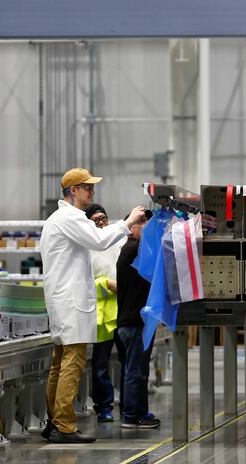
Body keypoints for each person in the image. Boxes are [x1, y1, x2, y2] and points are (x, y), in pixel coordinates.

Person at [40, 167, 147, 444]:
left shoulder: (63, 218)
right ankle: (63, 426)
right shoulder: (68, 217)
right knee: (71, 364)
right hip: (70, 302)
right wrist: (128, 222)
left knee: (60, 364)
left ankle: (53, 422)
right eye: (87, 187)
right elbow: (99, 241)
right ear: (73, 190)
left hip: (66, 301)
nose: (92, 192)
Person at [115, 216, 160, 429]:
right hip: (134, 322)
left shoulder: (131, 249)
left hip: (130, 320)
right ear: (132, 227)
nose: (149, 229)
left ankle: (134, 412)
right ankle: (133, 415)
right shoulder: (135, 250)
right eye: (144, 224)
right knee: (136, 370)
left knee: (134, 370)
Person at [85, 203, 124, 423]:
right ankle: (104, 406)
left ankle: (129, 406)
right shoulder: (86, 247)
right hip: (100, 314)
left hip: (122, 310)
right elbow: (85, 279)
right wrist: (106, 284)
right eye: (96, 219)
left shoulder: (117, 241)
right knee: (100, 365)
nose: (101, 222)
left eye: (104, 218)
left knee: (128, 362)